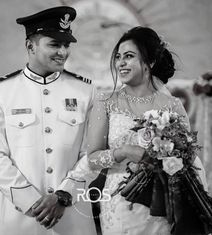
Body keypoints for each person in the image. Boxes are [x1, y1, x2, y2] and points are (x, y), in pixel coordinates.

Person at [0, 6, 96, 235]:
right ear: (30, 46)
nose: (63, 51)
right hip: (16, 219)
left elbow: (91, 153)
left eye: (66, 45)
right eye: (54, 44)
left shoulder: (85, 91)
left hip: (72, 219)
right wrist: (32, 201)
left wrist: (63, 195)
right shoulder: (0, 91)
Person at [87, 26, 208, 235]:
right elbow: (92, 159)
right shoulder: (105, 102)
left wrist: (168, 156)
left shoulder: (172, 105)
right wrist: (123, 151)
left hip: (161, 205)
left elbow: (188, 158)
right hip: (119, 201)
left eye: (129, 56)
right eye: (118, 57)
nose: (121, 63)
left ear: (150, 62)